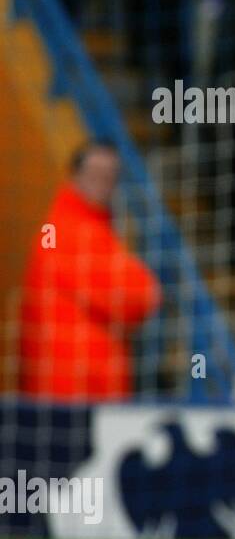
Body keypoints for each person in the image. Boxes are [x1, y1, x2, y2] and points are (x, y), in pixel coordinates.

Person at [20, 141, 162, 400]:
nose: (103, 183)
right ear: (74, 175)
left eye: (110, 176)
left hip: (84, 386)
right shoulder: (65, 230)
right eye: (95, 174)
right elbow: (139, 295)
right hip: (70, 391)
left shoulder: (91, 228)